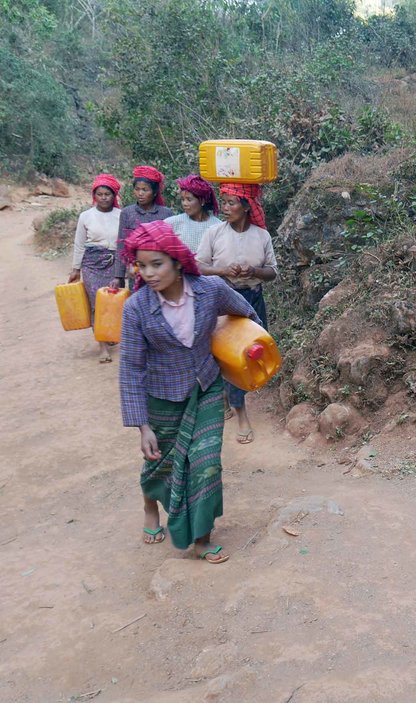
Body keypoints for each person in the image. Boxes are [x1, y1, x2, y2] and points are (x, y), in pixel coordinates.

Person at [119, 220, 261, 562]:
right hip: (162, 397)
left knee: (206, 462)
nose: (149, 273)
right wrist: (143, 427)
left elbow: (246, 315)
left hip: (206, 387)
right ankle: (150, 506)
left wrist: (248, 351)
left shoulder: (210, 289)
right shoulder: (136, 308)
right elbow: (131, 370)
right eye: (142, 265)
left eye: (157, 264)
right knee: (160, 464)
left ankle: (201, 537)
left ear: (178, 262)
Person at [196, 183, 277, 445]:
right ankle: (239, 411)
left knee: (247, 354)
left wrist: (252, 270)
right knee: (222, 353)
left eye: (232, 203)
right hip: (220, 301)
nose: (226, 208)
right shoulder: (214, 233)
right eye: (224, 202)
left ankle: (233, 400)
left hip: (252, 299)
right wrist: (223, 270)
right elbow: (198, 266)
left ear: (246, 207)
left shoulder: (262, 236)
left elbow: (272, 272)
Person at [68, 174, 123, 363]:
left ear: (113, 195)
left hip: (115, 262)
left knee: (114, 301)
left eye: (107, 194)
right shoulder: (86, 216)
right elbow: (79, 244)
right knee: (96, 303)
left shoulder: (121, 215)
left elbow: (124, 242)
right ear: (94, 196)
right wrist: (75, 269)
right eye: (100, 194)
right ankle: (102, 346)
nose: (104, 197)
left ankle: (111, 333)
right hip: (92, 264)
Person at [113, 165, 172, 289]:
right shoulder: (127, 213)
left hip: (160, 272)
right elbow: (121, 246)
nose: (140, 193)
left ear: (155, 192)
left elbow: (171, 246)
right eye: (137, 189)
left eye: (145, 190)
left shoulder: (166, 214)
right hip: (136, 272)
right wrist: (118, 276)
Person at [165, 174, 222, 254]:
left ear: (202, 201)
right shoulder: (172, 223)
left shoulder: (217, 226)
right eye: (182, 199)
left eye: (189, 199)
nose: (184, 203)